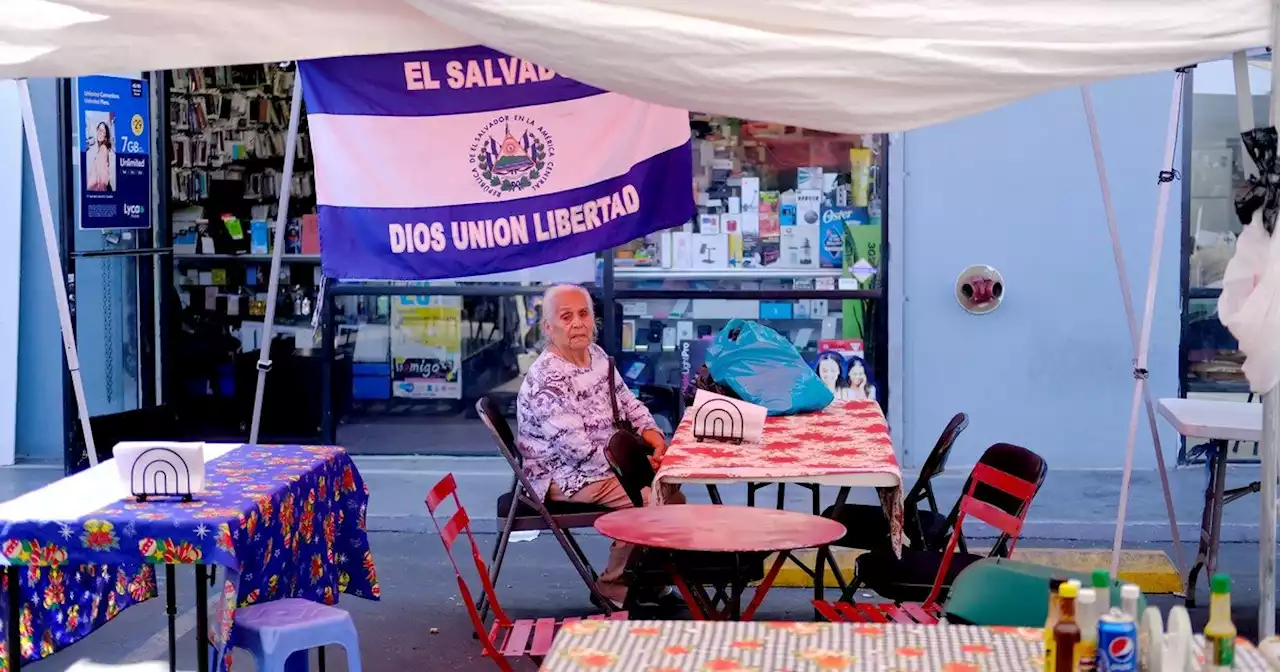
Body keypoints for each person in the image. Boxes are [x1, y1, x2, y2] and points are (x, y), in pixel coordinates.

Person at [516, 284, 684, 608]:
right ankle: (611, 588)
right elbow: (577, 452)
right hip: (563, 474)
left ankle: (651, 582)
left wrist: (653, 437)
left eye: (583, 314)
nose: (577, 323)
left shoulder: (596, 357)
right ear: (548, 327)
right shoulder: (547, 380)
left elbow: (628, 403)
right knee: (649, 501)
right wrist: (637, 469)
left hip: (609, 461)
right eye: (566, 317)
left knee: (674, 492)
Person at [85, 120, 116, 192]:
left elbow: (103, 174)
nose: (100, 133)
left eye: (102, 131)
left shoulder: (103, 149)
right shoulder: (101, 148)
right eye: (99, 130)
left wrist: (101, 193)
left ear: (105, 136)